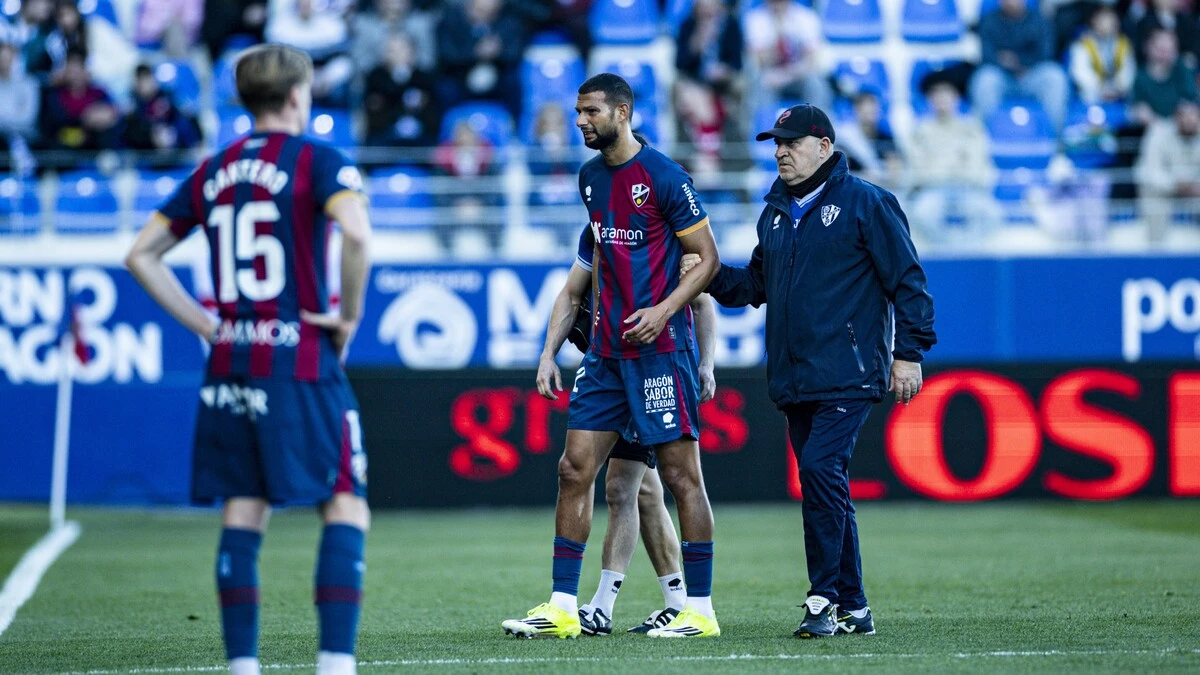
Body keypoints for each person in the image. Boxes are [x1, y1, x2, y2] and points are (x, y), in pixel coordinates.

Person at [124, 44, 372, 675]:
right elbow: (357, 233)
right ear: (296, 96)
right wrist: (347, 317)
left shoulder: (215, 168)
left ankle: (242, 666)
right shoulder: (318, 159)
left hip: (232, 357)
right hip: (300, 356)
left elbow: (141, 255)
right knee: (344, 501)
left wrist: (208, 325)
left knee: (244, 507)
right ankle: (335, 664)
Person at [685, 104, 935, 638]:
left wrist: (909, 352)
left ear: (824, 146)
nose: (780, 151)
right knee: (827, 484)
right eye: (776, 143)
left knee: (820, 472)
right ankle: (856, 606)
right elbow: (753, 287)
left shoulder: (867, 202)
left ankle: (823, 599)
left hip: (850, 369)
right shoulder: (775, 211)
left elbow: (909, 281)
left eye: (791, 142)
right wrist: (706, 273)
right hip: (795, 376)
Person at [501, 73, 722, 639]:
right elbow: (582, 278)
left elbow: (707, 259)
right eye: (578, 111)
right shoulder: (590, 178)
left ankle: (699, 611)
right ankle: (563, 607)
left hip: (659, 353)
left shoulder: (666, 177)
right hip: (604, 356)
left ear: (622, 113)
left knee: (680, 477)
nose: (581, 121)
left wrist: (664, 311)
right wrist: (548, 353)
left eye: (591, 111)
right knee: (574, 469)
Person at [544, 222, 717, 635]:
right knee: (637, 489)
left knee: (632, 487)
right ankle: (672, 602)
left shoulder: (663, 230)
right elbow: (573, 291)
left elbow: (702, 302)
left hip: (656, 366)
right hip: (611, 367)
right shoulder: (598, 228)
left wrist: (706, 364)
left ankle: (614, 606)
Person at [907, 78, 1002, 246]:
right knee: (922, 214)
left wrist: (942, 164)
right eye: (936, 95)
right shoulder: (921, 131)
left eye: (947, 94)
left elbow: (977, 165)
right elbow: (920, 170)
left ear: (956, 98)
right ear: (930, 100)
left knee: (993, 214)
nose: (942, 99)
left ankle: (968, 250)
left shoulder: (971, 128)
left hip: (967, 189)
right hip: (933, 190)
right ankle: (945, 249)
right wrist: (955, 163)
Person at [970, 0, 1069, 130]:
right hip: (1002, 76)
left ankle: (1056, 135)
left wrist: (1018, 61)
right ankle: (983, 135)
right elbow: (987, 55)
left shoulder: (1040, 20)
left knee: (1055, 76)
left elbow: (1046, 53)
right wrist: (1007, 63)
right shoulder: (989, 20)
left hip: (1032, 75)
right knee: (984, 79)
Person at [1135, 100, 1200, 243]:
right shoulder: (1158, 133)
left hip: (1196, 189)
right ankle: (1156, 247)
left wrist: (1194, 187)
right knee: (1151, 196)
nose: (1190, 121)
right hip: (1165, 188)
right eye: (1185, 116)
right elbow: (1150, 171)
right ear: (1176, 117)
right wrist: (1175, 185)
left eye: (1194, 116)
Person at [1068, 5, 1136, 105]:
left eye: (1113, 19)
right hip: (1091, 95)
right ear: (1094, 21)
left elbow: (1128, 70)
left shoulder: (1123, 44)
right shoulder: (1082, 44)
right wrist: (1100, 89)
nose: (1111, 23)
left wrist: (1119, 87)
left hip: (1118, 95)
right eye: (1106, 19)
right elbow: (1080, 72)